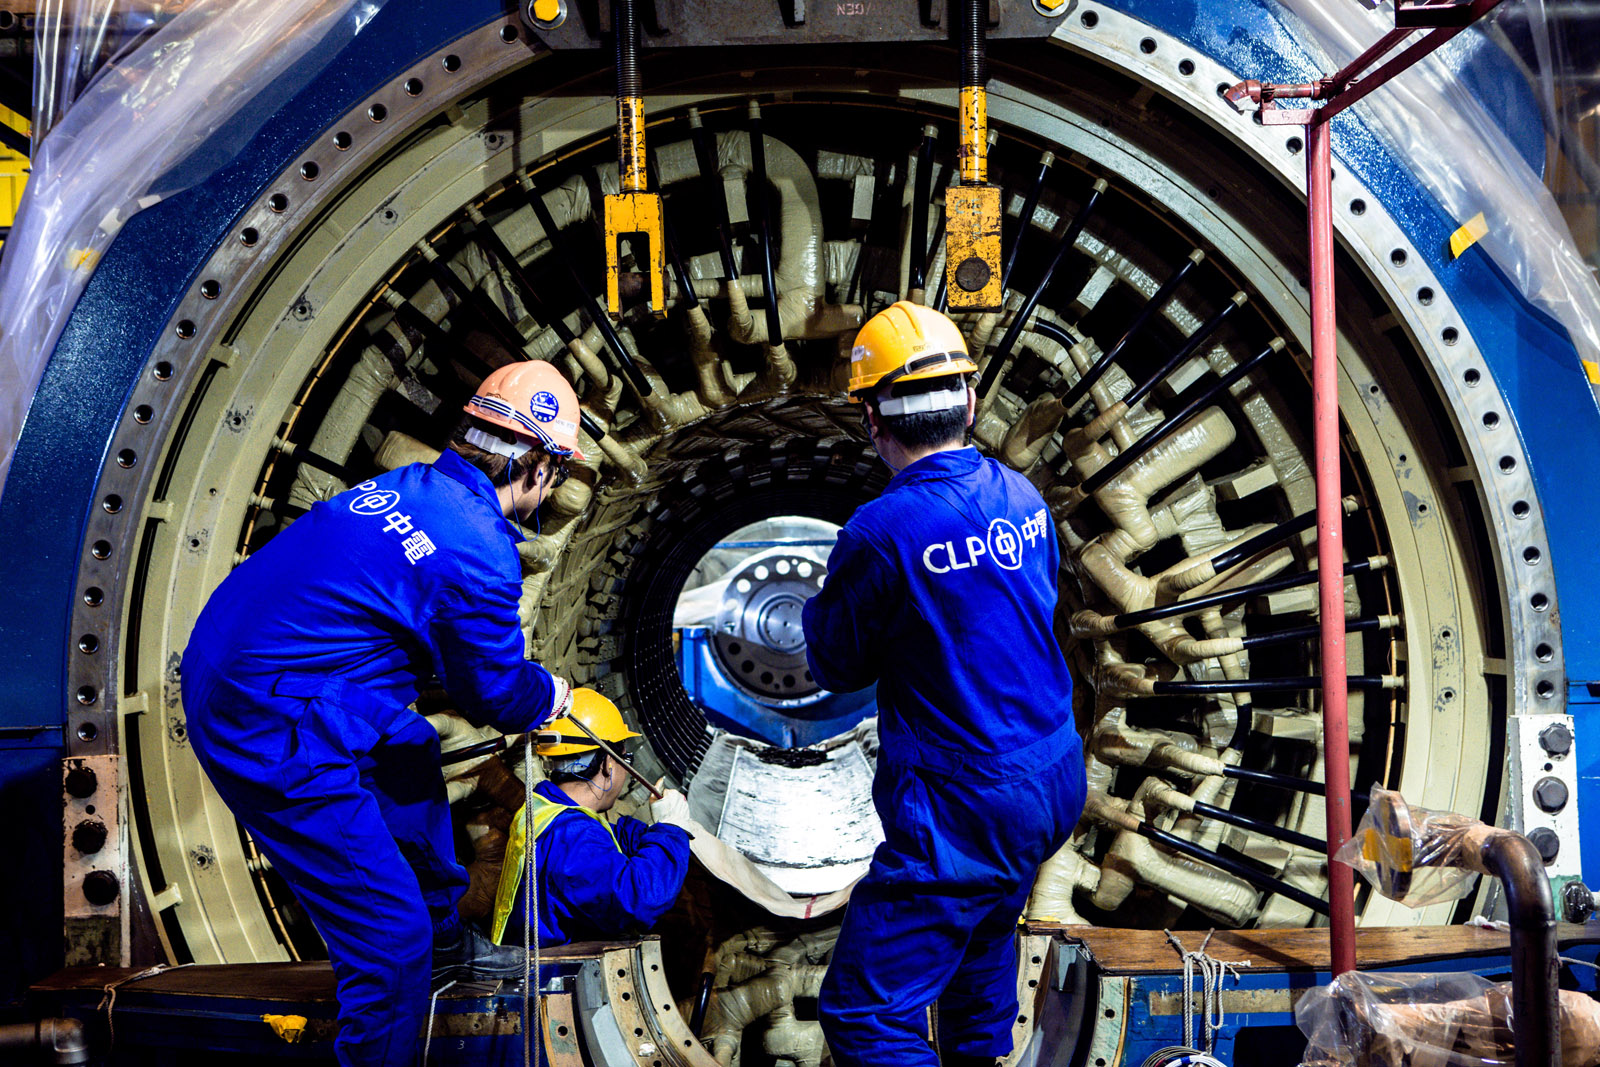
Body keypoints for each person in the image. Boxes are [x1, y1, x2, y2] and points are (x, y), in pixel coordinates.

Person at [181, 361, 590, 1067]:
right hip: (265, 717)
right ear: (535, 465)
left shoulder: (411, 487)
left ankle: (443, 936)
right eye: (555, 472)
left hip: (236, 663)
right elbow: (491, 695)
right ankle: (409, 966)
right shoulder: (479, 549)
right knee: (387, 936)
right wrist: (549, 694)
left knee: (405, 745)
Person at [801, 302, 1087, 1067]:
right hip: (1052, 777)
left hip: (967, 805)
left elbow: (837, 665)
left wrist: (815, 606)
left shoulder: (882, 530)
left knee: (864, 1015)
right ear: (968, 400)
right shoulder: (1022, 496)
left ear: (871, 420)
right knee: (984, 935)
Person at [489, 688, 692, 946]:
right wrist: (671, 831)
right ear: (609, 763)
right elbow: (638, 899)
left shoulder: (549, 811)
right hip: (554, 975)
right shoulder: (573, 839)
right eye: (625, 759)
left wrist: (658, 830)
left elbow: (612, 837)